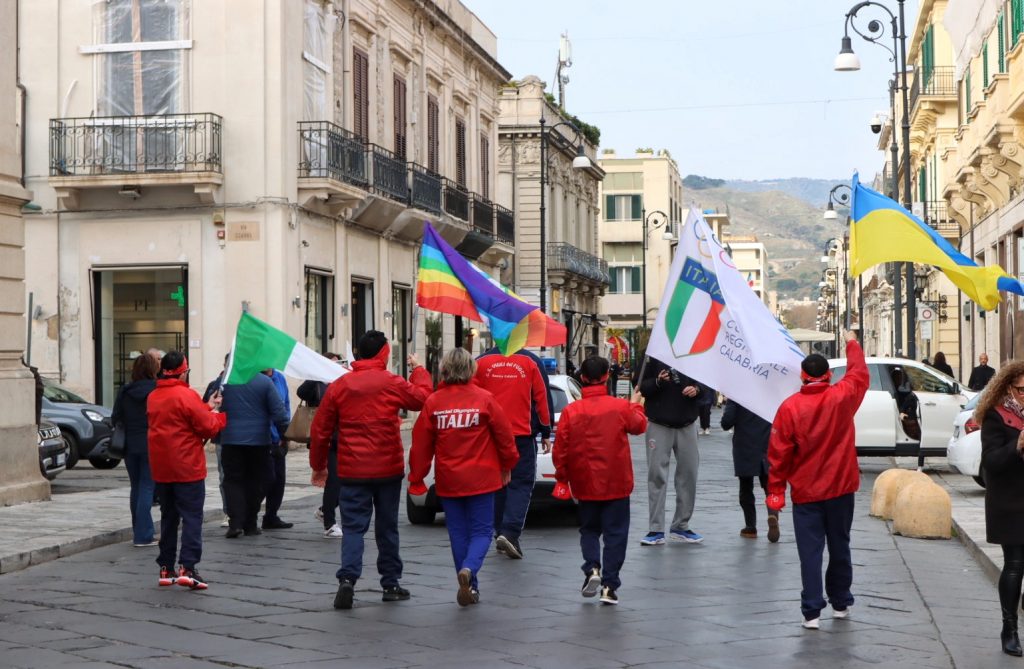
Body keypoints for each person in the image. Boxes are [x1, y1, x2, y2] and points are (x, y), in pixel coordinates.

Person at [309, 330, 432, 610]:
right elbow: (422, 398)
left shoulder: (342, 385)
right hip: (387, 468)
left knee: (353, 528)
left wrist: (319, 466)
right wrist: (419, 369)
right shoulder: (391, 381)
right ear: (384, 354)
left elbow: (320, 430)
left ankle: (348, 581)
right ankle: (390, 583)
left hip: (352, 469)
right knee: (387, 527)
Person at [767, 330, 867, 630]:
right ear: (827, 374)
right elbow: (859, 373)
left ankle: (811, 611)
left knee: (809, 552)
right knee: (840, 545)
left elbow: (778, 454)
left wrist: (775, 491)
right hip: (840, 488)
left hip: (806, 492)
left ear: (802, 375)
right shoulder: (842, 397)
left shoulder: (789, 408)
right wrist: (851, 341)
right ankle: (840, 600)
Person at [408, 348, 518, 606]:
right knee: (481, 531)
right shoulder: (485, 399)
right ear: (471, 369)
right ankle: (469, 570)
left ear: (444, 369)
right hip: (482, 477)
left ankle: (471, 585)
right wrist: (508, 463)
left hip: (449, 479)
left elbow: (420, 445)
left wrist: (417, 477)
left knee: (458, 534)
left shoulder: (434, 403)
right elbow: (505, 437)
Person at [553, 356, 647, 606]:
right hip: (616, 481)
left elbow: (560, 448)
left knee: (589, 530)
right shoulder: (619, 407)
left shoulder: (572, 411)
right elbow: (639, 426)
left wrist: (562, 477)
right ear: (607, 376)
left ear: (582, 378)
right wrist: (636, 405)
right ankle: (609, 585)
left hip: (585, 481)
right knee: (616, 533)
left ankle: (592, 567)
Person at [147, 352, 226, 590]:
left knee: (169, 516)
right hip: (186, 466)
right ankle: (188, 567)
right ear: (182, 371)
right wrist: (218, 415)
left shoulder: (154, 396)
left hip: (162, 466)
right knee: (192, 517)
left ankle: (166, 567)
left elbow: (179, 416)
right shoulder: (186, 394)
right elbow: (208, 426)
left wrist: (207, 406)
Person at [474, 347, 551, 560]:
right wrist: (545, 430)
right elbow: (542, 399)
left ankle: (500, 531)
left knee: (497, 483)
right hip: (521, 435)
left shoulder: (481, 361)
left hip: (489, 435)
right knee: (521, 483)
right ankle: (510, 532)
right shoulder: (531, 361)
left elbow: (472, 396)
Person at [976, 360, 1024, 656]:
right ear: (1007, 387)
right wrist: (1017, 445)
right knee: (1015, 564)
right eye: (1021, 390)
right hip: (1010, 501)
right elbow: (990, 463)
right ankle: (1010, 628)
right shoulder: (996, 416)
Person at [637, 356, 706, 545]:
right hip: (659, 422)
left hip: (687, 422)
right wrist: (658, 382)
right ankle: (656, 528)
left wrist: (697, 389)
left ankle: (681, 525)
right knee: (656, 475)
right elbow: (640, 386)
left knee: (689, 474)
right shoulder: (650, 354)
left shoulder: (695, 352)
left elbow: (707, 384)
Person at [219, 368, 290, 538]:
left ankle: (235, 522)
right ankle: (250, 523)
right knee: (256, 481)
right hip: (258, 441)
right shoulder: (264, 382)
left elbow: (209, 402)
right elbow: (279, 412)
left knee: (232, 481)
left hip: (230, 439)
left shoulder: (225, 380)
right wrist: (285, 435)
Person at [112, 354, 159, 547]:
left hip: (130, 444)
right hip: (151, 443)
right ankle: (144, 535)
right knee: (147, 487)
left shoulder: (125, 390)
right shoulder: (156, 390)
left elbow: (116, 417)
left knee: (136, 487)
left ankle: (138, 530)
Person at [298, 353, 344, 538]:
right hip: (325, 437)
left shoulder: (342, 381)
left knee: (344, 480)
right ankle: (329, 523)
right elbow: (301, 393)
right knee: (334, 480)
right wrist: (317, 374)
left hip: (341, 436)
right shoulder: (317, 382)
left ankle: (326, 510)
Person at [721, 399, 777, 542]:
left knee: (746, 487)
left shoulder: (738, 395)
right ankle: (772, 514)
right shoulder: (768, 392)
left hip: (744, 445)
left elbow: (726, 422)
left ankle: (750, 527)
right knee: (770, 487)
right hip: (767, 443)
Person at [261, 368, 293, 530]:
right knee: (264, 479)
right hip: (261, 438)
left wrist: (285, 433)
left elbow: (286, 405)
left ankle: (271, 515)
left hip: (279, 437)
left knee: (278, 480)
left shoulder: (279, 378)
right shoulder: (255, 379)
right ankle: (247, 515)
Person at [202, 354, 230, 528]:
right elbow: (204, 407)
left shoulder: (245, 383)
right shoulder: (215, 384)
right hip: (221, 436)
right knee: (224, 476)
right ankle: (228, 512)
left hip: (239, 436)